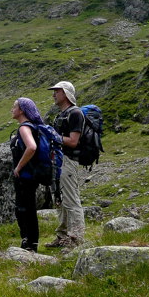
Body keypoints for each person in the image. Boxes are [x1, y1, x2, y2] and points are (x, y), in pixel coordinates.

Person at [46, 81, 86, 247]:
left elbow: (74, 141)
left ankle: (76, 239)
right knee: (59, 199)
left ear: (66, 93)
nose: (54, 94)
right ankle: (62, 236)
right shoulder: (60, 114)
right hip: (57, 161)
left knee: (71, 199)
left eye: (57, 91)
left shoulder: (75, 113)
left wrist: (53, 136)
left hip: (68, 161)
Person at [9, 97, 44, 252]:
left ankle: (28, 243)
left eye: (14, 107)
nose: (12, 109)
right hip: (31, 175)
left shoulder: (24, 128)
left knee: (24, 208)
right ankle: (31, 243)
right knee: (28, 208)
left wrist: (18, 167)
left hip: (25, 176)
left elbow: (31, 147)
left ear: (21, 110)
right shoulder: (32, 126)